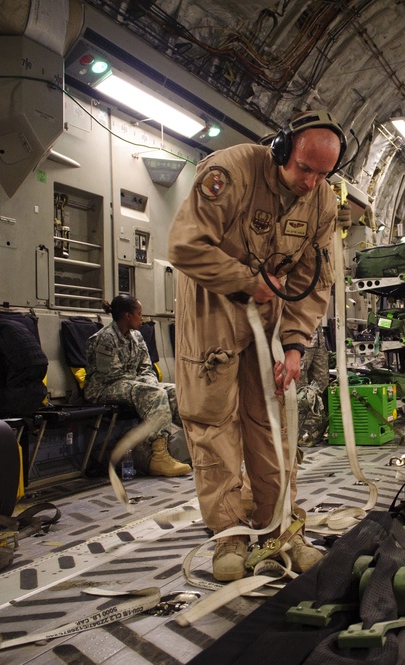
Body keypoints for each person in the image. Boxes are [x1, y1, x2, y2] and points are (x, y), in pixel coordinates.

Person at [168, 109, 342, 581]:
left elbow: (312, 280)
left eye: (323, 173)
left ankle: (279, 528)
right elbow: (184, 245)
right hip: (211, 309)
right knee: (213, 421)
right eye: (304, 168)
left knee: (272, 423)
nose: (311, 182)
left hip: (269, 316)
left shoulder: (323, 202)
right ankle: (228, 536)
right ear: (282, 149)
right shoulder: (231, 172)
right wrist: (248, 281)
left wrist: (294, 347)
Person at [85, 295, 191, 477]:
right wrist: (146, 384)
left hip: (130, 383)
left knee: (174, 391)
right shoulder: (104, 339)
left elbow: (146, 368)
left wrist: (149, 381)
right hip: (103, 388)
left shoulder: (137, 337)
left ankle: (193, 446)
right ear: (127, 316)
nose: (142, 319)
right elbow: (112, 375)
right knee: (153, 393)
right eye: (139, 314)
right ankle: (159, 456)